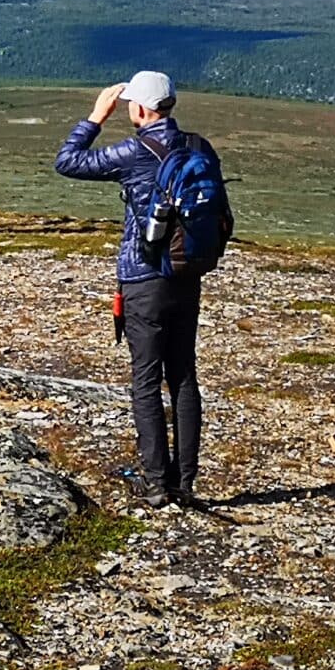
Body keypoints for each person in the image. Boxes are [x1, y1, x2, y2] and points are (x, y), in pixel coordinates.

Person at [54, 71, 223, 508]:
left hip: (142, 277)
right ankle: (185, 485)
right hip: (187, 275)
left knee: (145, 380)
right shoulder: (199, 147)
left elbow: (68, 161)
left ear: (141, 109)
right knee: (183, 376)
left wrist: (95, 117)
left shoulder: (133, 151)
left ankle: (154, 484)